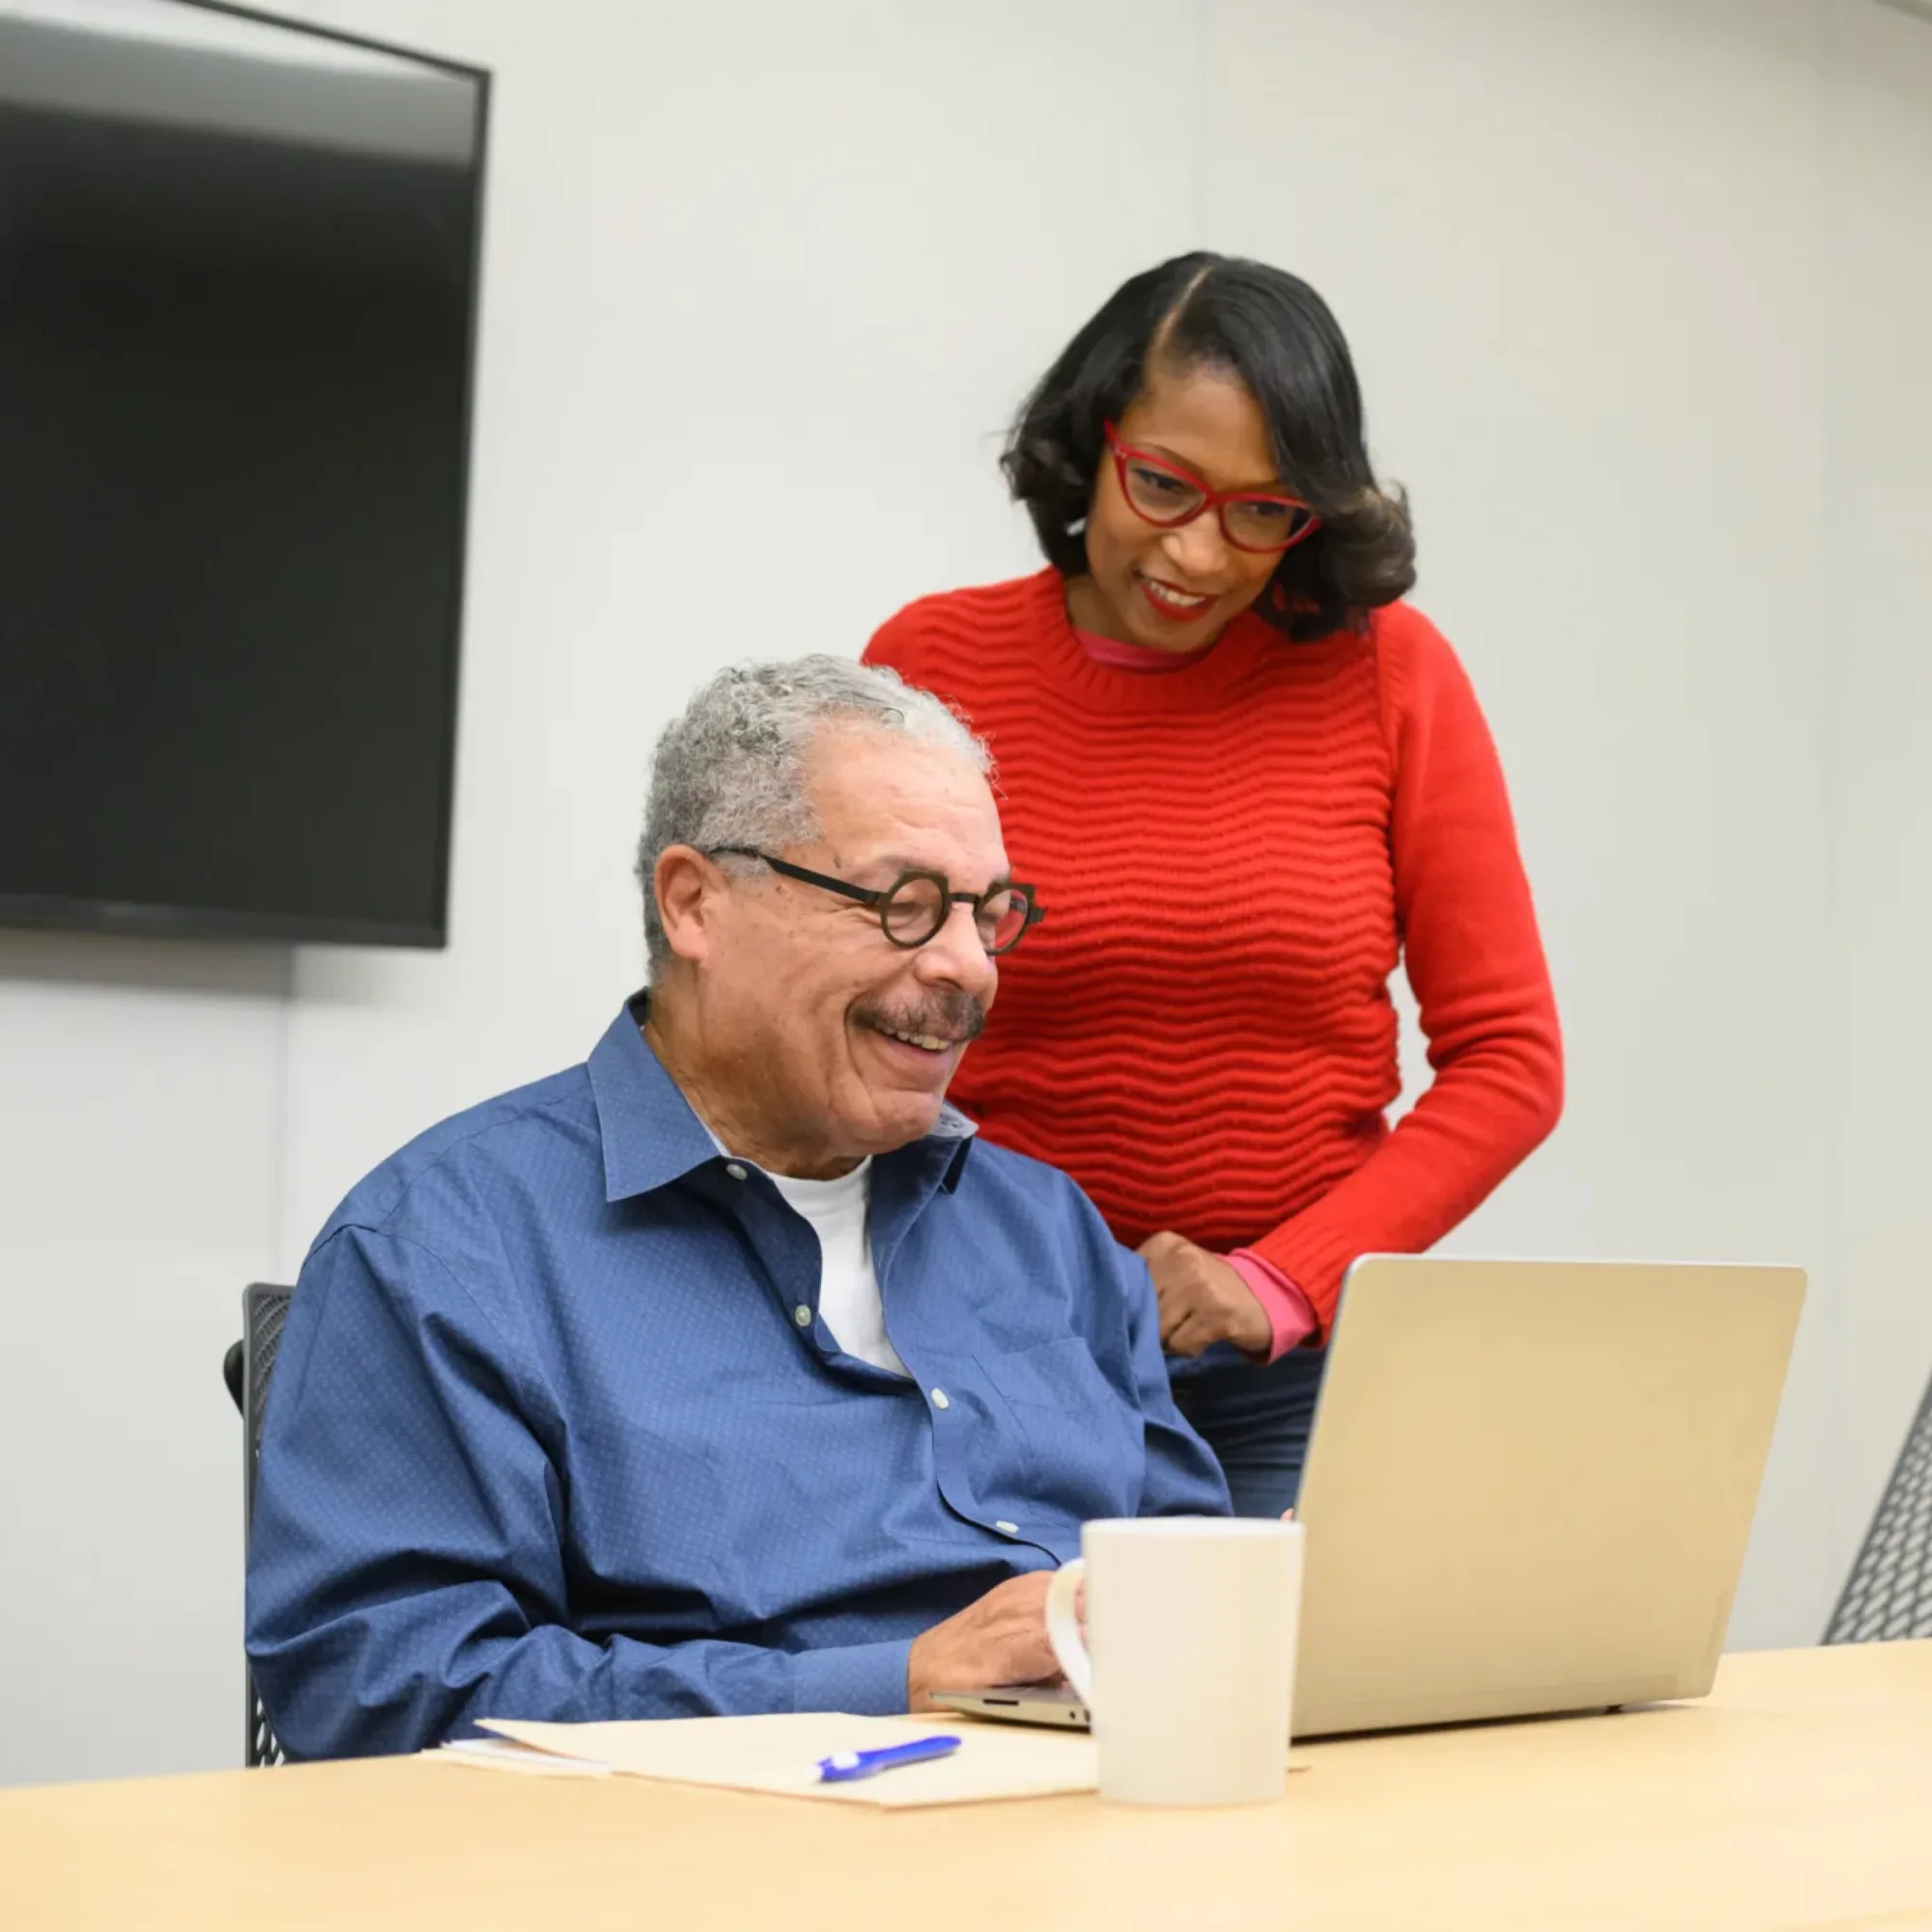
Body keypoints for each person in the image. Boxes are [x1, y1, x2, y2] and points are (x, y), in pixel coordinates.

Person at [244, 656, 1229, 1760]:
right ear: (694, 902)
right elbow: (381, 1690)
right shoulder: (444, 1245)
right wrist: (890, 1682)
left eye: (987, 913)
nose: (967, 966)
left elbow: (1191, 1567)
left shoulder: (1047, 1230)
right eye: (904, 905)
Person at [865, 252, 1563, 1518]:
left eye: (1264, 511)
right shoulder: (931, 665)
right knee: (992, 1703)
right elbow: (856, 1018)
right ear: (1095, 443)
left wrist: (1283, 1281)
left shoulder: (1387, 675)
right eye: (1165, 486)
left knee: (1247, 1708)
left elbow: (1511, 1063)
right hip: (986, 1361)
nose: (1202, 551)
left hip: (1284, 1382)